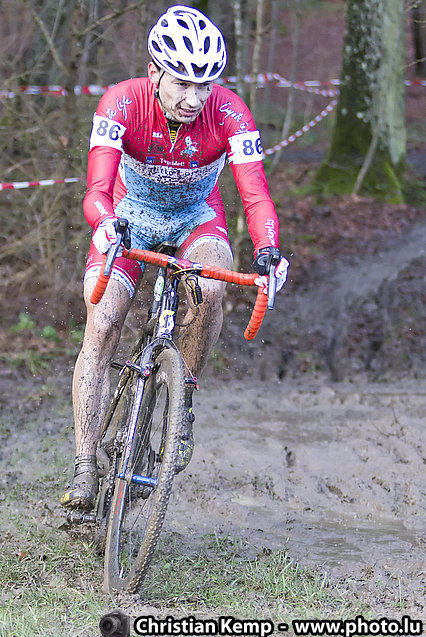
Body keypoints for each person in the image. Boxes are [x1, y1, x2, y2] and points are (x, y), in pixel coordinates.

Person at [61, 5, 288, 512]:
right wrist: (105, 223)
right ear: (154, 72)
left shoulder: (230, 113)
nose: (194, 98)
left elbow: (255, 195)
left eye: (205, 85)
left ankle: (180, 404)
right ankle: (84, 462)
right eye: (183, 83)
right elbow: (96, 189)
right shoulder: (121, 103)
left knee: (210, 288)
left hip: (196, 217)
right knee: (103, 321)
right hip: (128, 214)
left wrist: (268, 249)